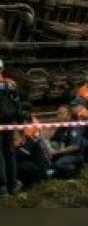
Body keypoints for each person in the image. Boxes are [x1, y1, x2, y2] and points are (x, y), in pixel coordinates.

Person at [0, 60, 21, 196]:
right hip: (9, 124)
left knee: (0, 156)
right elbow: (18, 106)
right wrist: (18, 126)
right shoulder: (10, 84)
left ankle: (2, 188)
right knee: (10, 154)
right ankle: (13, 185)